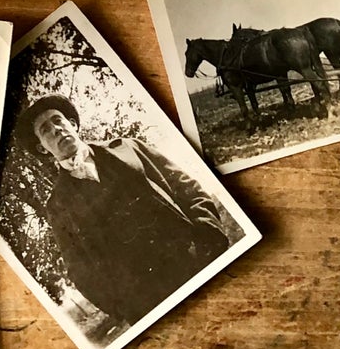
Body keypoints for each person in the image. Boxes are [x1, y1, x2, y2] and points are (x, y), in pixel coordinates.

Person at [15, 94, 230, 333]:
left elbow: (185, 186)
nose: (56, 129)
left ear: (73, 124)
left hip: (197, 260)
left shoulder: (129, 148)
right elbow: (79, 269)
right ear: (42, 148)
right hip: (151, 302)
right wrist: (124, 307)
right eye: (45, 130)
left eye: (58, 120)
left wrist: (209, 234)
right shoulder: (57, 205)